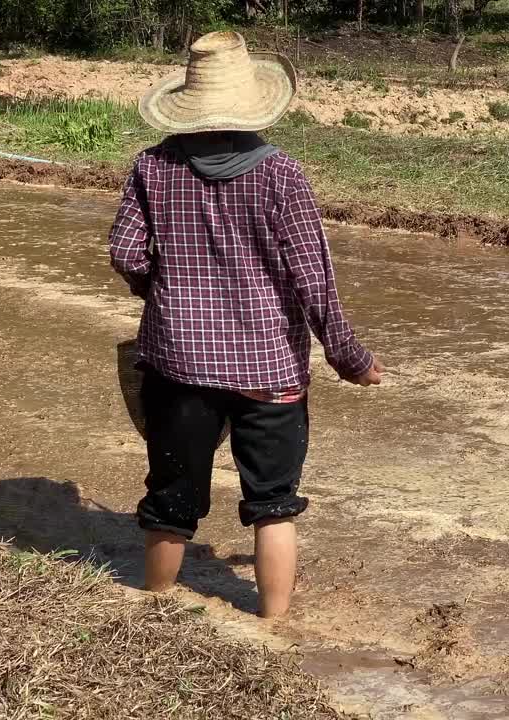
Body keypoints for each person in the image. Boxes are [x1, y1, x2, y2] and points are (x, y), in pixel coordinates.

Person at [108, 31, 383, 619]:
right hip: (269, 369)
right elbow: (314, 281)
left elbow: (127, 253)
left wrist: (163, 296)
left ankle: (151, 612)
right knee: (273, 502)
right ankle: (273, 628)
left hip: (177, 362)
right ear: (255, 103)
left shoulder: (151, 168)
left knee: (171, 497)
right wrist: (348, 357)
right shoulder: (281, 175)